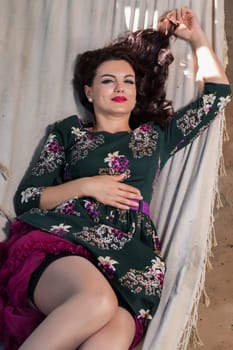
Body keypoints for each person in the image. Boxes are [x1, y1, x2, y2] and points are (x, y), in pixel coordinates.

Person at [0, 7, 231, 350]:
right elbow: (29, 198)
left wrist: (196, 36)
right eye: (108, 80)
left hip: (129, 260)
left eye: (128, 81)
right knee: (96, 302)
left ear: (138, 92)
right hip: (64, 243)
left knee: (118, 327)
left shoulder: (156, 137)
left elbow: (218, 95)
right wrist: (87, 186)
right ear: (89, 92)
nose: (120, 88)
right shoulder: (69, 133)